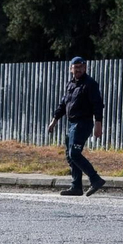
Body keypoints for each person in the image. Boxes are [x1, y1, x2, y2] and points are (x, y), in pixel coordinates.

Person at [47, 57, 105, 197]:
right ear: (71, 69)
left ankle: (95, 179)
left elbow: (97, 105)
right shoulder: (70, 85)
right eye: (75, 67)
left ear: (85, 68)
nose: (78, 69)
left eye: (81, 66)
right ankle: (76, 186)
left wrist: (98, 124)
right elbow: (63, 105)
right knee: (70, 154)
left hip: (83, 123)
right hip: (72, 124)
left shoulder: (90, 84)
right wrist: (54, 121)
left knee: (74, 153)